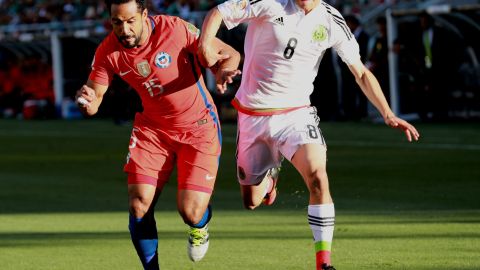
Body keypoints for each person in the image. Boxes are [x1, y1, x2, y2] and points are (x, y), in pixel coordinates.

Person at [197, 0, 420, 269]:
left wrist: (387, 112)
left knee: (317, 175)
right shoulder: (270, 3)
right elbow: (219, 11)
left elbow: (360, 71)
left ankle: (323, 263)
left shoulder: (331, 21)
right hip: (253, 116)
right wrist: (205, 44)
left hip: (296, 115)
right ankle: (269, 180)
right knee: (251, 201)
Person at [75, 0, 241, 269]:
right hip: (152, 131)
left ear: (144, 14)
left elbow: (229, 53)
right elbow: (94, 100)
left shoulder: (175, 29)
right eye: (117, 22)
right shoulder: (107, 50)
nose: (124, 29)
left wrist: (224, 71)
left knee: (190, 212)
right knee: (139, 205)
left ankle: (200, 225)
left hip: (198, 127)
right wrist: (86, 98)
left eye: (130, 21)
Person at [340, 14, 369, 120]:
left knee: (361, 91)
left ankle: (362, 113)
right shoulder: (349, 35)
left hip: (359, 67)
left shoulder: (364, 35)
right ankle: (350, 113)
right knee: (349, 91)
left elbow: (364, 52)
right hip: (347, 69)